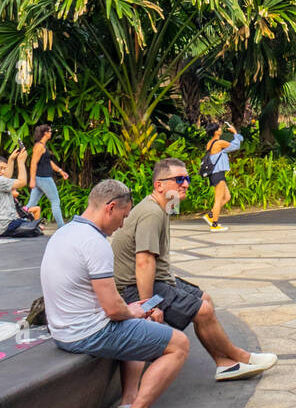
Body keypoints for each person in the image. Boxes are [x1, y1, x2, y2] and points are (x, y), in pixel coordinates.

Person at [40, 178, 188, 408]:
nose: (122, 225)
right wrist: (130, 312)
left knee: (141, 327)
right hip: (87, 332)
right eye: (123, 216)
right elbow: (112, 309)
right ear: (110, 207)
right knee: (178, 344)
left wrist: (132, 311)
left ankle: (127, 405)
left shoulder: (64, 233)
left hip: (63, 330)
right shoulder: (94, 243)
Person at [112, 157, 276, 382]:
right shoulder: (151, 213)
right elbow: (144, 262)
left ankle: (225, 363)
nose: (186, 184)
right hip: (133, 287)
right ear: (159, 185)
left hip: (155, 279)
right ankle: (240, 357)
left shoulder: (161, 207)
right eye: (178, 179)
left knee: (204, 298)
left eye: (187, 179)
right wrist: (148, 306)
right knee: (203, 311)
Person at [200, 121, 242, 231]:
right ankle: (214, 225)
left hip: (215, 174)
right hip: (218, 174)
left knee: (227, 197)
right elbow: (236, 146)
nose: (221, 129)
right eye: (219, 128)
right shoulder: (219, 143)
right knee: (218, 200)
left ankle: (210, 216)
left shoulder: (210, 143)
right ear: (216, 132)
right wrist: (235, 132)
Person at [28, 124, 70, 228]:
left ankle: (22, 221)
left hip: (40, 179)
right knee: (55, 201)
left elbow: (48, 162)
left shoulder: (43, 146)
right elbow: (33, 163)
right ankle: (61, 226)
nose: (51, 133)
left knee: (32, 203)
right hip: (44, 178)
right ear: (45, 133)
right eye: (50, 131)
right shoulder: (39, 146)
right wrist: (32, 179)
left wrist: (60, 171)